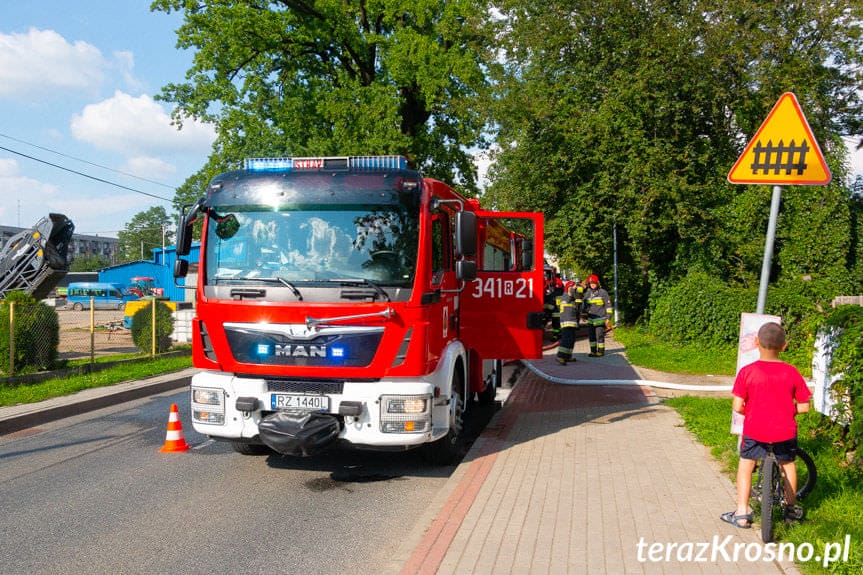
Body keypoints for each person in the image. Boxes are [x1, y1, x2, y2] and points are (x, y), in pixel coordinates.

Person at [721, 322, 812, 529]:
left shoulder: (747, 372)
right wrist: (788, 410)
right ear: (784, 346)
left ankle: (742, 513)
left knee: (746, 463)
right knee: (788, 464)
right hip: (784, 430)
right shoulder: (792, 372)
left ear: (756, 342)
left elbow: (737, 406)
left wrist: (752, 412)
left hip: (755, 429)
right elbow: (805, 407)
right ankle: (790, 512)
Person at [582, 274, 613, 357]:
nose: (592, 285)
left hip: (600, 318)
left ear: (597, 283)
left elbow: (608, 306)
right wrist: (583, 314)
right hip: (591, 319)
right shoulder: (587, 293)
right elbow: (584, 305)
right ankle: (593, 351)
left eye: (594, 283)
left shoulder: (603, 292)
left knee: (599, 336)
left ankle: (600, 351)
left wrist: (608, 318)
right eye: (591, 283)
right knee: (591, 336)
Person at [555, 280, 584, 365]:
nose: (575, 289)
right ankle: (560, 356)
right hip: (566, 322)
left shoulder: (572, 298)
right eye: (572, 288)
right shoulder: (566, 296)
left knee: (571, 339)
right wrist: (573, 287)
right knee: (566, 339)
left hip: (572, 322)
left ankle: (567, 356)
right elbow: (570, 293)